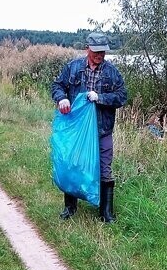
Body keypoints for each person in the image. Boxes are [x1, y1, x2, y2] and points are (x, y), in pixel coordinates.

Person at [51, 32, 127, 222]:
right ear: (88, 49)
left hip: (102, 130)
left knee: (104, 168)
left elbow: (122, 97)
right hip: (76, 131)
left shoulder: (112, 72)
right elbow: (57, 86)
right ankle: (70, 208)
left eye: (102, 52)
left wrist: (100, 97)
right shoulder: (73, 67)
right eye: (95, 52)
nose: (99, 55)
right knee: (72, 165)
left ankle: (106, 213)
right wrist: (62, 98)